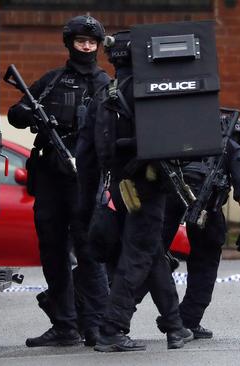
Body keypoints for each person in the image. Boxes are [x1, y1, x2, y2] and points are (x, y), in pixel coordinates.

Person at [78, 30, 187, 352]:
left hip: (116, 187)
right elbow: (166, 140)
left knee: (151, 253)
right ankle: (113, 329)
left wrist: (86, 204)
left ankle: (174, 325)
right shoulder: (146, 91)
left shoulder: (102, 94)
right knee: (138, 255)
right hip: (146, 187)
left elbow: (86, 155)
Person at [7, 15, 110, 347]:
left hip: (86, 177)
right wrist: (28, 113)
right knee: (52, 249)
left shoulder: (106, 84)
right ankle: (65, 325)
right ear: (70, 43)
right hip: (52, 174)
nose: (86, 47)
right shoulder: (51, 81)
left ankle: (94, 325)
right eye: (81, 41)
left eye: (92, 42)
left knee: (89, 250)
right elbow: (16, 112)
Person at [176, 118, 240, 339]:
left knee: (151, 265)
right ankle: (186, 321)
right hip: (207, 217)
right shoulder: (233, 149)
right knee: (204, 270)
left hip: (172, 213)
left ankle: (114, 316)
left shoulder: (187, 141)